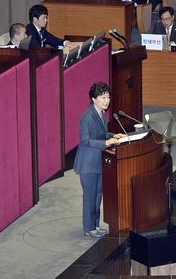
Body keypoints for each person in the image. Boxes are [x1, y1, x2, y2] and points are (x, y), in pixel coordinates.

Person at [73, 82, 125, 237]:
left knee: (98, 195)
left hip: (98, 162)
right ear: (94, 99)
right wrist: (106, 143)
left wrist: (113, 135)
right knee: (90, 197)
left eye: (108, 97)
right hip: (88, 164)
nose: (106, 101)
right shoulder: (87, 117)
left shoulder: (101, 113)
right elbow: (86, 140)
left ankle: (95, 225)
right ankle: (88, 228)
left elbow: (102, 133)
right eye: (103, 97)